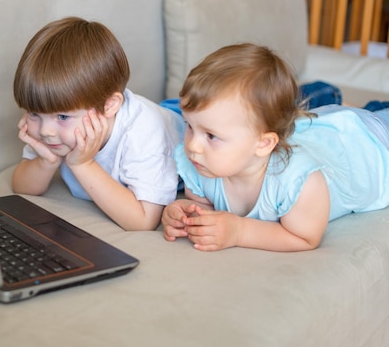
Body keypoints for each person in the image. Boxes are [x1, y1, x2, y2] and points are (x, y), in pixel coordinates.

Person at [161, 43, 389, 252]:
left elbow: (305, 238)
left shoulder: (298, 181)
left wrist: (239, 231)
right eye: (189, 125)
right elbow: (203, 206)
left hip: (371, 143)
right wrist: (185, 213)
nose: (192, 145)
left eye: (211, 135)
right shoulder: (201, 166)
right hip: (324, 132)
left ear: (263, 144)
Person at [12, 17, 184, 231]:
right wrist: (46, 162)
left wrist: (83, 164)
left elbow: (143, 221)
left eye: (63, 117)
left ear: (109, 106)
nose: (46, 132)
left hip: (183, 124)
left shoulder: (144, 133)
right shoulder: (53, 129)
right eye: (33, 113)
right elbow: (22, 187)